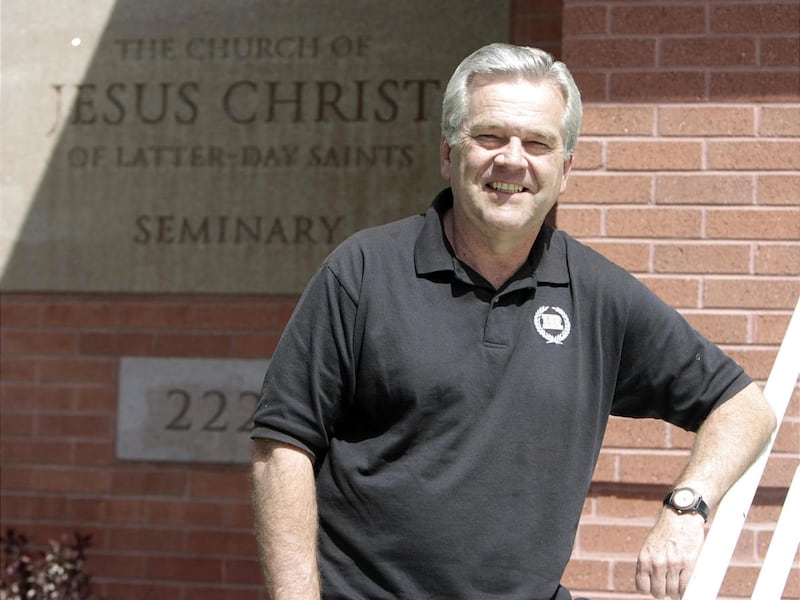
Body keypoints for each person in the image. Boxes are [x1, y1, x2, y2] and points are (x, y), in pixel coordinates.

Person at [250, 43, 776, 600]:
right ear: (449, 155)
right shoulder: (362, 272)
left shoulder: (597, 295)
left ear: (565, 170)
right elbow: (281, 447)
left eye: (538, 143)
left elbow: (743, 409)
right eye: (489, 136)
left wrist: (687, 507)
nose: (511, 160)